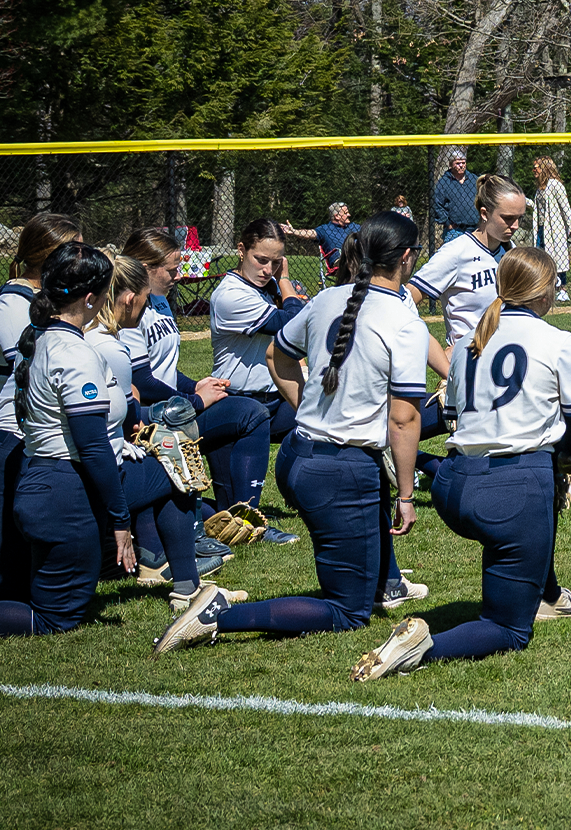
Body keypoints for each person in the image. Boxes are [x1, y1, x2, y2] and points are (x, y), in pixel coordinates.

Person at [157, 213, 430, 653]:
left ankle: (386, 582)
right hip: (340, 470)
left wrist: (308, 413)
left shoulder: (325, 301)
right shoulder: (404, 322)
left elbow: (275, 355)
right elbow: (403, 421)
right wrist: (406, 495)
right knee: (347, 611)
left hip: (298, 455)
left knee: (358, 539)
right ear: (406, 258)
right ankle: (218, 614)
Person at [352, 247, 571, 681]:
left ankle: (549, 592)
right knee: (508, 628)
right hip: (511, 490)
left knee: (525, 512)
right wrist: (568, 459)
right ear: (543, 292)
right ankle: (420, 649)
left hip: (454, 484)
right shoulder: (561, 341)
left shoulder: (470, 340)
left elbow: (454, 414)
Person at [0, 245, 208, 636]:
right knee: (53, 616)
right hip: (63, 493)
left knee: (15, 592)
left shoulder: (41, 336)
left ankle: (186, 585)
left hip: (42, 482)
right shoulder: (76, 353)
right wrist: (119, 523)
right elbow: (93, 446)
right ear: (93, 298)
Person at [120, 228, 273, 560]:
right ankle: (215, 521)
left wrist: (196, 386)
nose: (179, 276)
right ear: (145, 267)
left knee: (238, 412)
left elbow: (164, 368)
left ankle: (241, 515)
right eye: (172, 269)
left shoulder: (158, 301)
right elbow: (140, 379)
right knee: (251, 413)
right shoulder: (129, 308)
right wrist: (194, 401)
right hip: (147, 420)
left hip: (173, 407)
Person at [0, 213, 79, 599]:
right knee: (3, 584)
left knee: (24, 577)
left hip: (27, 438)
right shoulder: (13, 307)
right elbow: (36, 375)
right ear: (50, 257)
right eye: (74, 251)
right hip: (6, 443)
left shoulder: (48, 300)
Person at [208, 218, 311, 529]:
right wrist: (285, 283)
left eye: (275, 262)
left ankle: (316, 493)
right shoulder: (231, 295)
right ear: (241, 251)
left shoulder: (262, 289)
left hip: (272, 398)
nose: (268, 269)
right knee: (228, 512)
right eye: (261, 260)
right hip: (236, 401)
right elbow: (291, 326)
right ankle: (253, 521)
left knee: (323, 417)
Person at [410, 173, 527, 348]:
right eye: (508, 218)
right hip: (471, 361)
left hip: (506, 359)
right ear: (484, 213)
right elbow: (407, 298)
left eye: (520, 218)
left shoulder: (512, 250)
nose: (516, 225)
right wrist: (437, 355)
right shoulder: (456, 252)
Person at [530, 157, 571, 302]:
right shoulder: (540, 187)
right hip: (541, 228)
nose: (534, 171)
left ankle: (562, 289)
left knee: (559, 257)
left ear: (544, 168)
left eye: (536, 167)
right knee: (541, 257)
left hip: (554, 229)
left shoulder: (555, 185)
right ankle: (545, 288)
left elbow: (565, 206)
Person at [283, 202, 362, 279]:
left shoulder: (354, 227)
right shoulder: (325, 229)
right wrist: (294, 231)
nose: (349, 215)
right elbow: (310, 233)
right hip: (340, 261)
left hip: (359, 256)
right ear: (337, 216)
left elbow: (368, 233)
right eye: (346, 213)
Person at [432, 148, 480, 243]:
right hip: (455, 230)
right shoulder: (444, 182)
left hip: (475, 228)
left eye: (463, 163)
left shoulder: (474, 179)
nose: (461, 165)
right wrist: (447, 223)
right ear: (451, 164)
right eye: (458, 163)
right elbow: (437, 204)